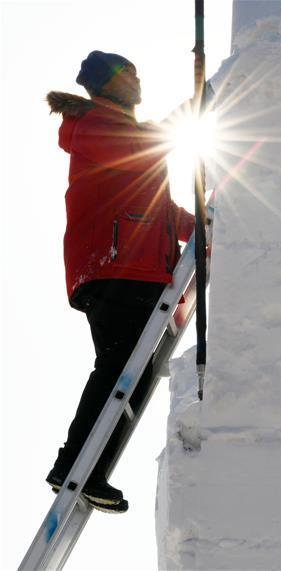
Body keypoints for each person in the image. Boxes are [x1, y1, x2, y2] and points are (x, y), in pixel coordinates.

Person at [45, 51, 195, 513]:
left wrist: (204, 230)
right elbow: (140, 148)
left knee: (131, 371)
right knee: (117, 367)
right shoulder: (93, 124)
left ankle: (85, 468)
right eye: (126, 72)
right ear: (104, 84)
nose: (136, 77)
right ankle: (77, 467)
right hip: (114, 264)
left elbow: (160, 211)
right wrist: (192, 111)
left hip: (136, 264)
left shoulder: (121, 131)